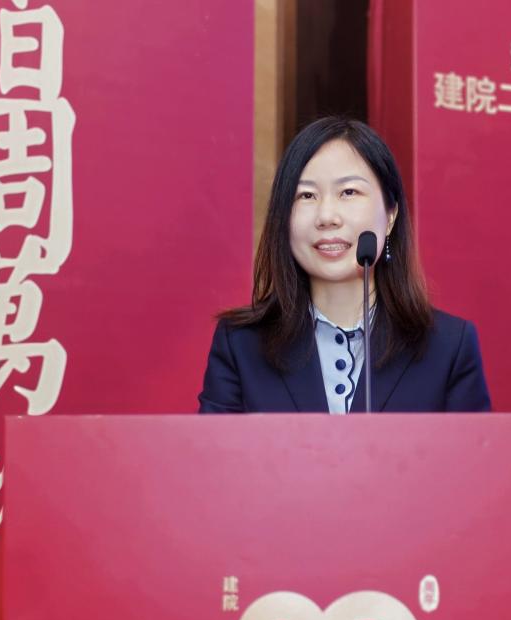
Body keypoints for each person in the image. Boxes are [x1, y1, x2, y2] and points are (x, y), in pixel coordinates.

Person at [198, 117, 491, 413]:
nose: (327, 216)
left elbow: (474, 445)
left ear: (390, 215)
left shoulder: (449, 347)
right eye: (306, 195)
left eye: (349, 192)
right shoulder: (241, 345)